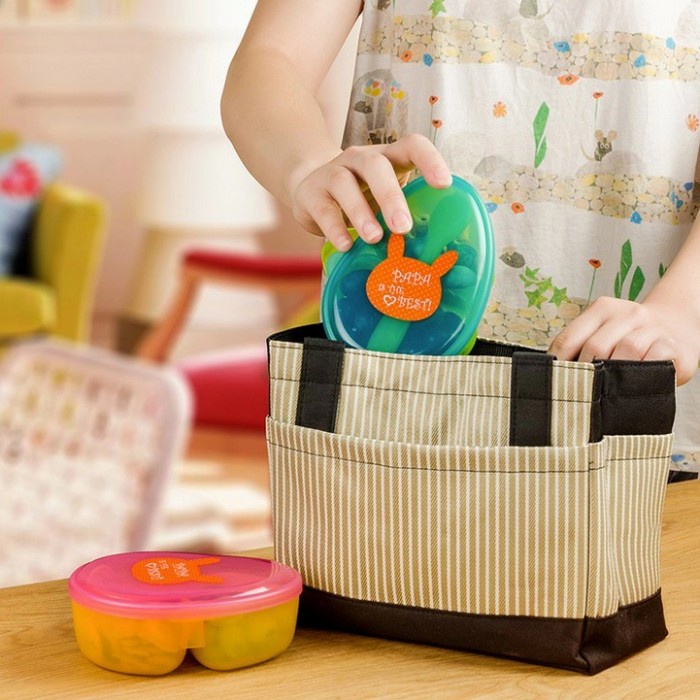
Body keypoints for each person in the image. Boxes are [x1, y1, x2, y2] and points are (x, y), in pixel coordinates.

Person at [222, 0, 700, 479]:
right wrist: (306, 164)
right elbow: (269, 57)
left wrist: (685, 308)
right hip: (387, 397)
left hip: (640, 414)